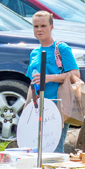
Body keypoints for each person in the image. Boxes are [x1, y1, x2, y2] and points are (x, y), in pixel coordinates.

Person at [26, 11, 78, 153]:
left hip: (58, 105)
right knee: (38, 149)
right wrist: (26, 109)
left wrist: (49, 78)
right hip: (38, 107)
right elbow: (33, 83)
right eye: (36, 26)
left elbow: (75, 75)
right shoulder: (34, 53)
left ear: (51, 27)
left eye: (43, 26)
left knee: (55, 149)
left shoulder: (61, 48)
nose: (39, 29)